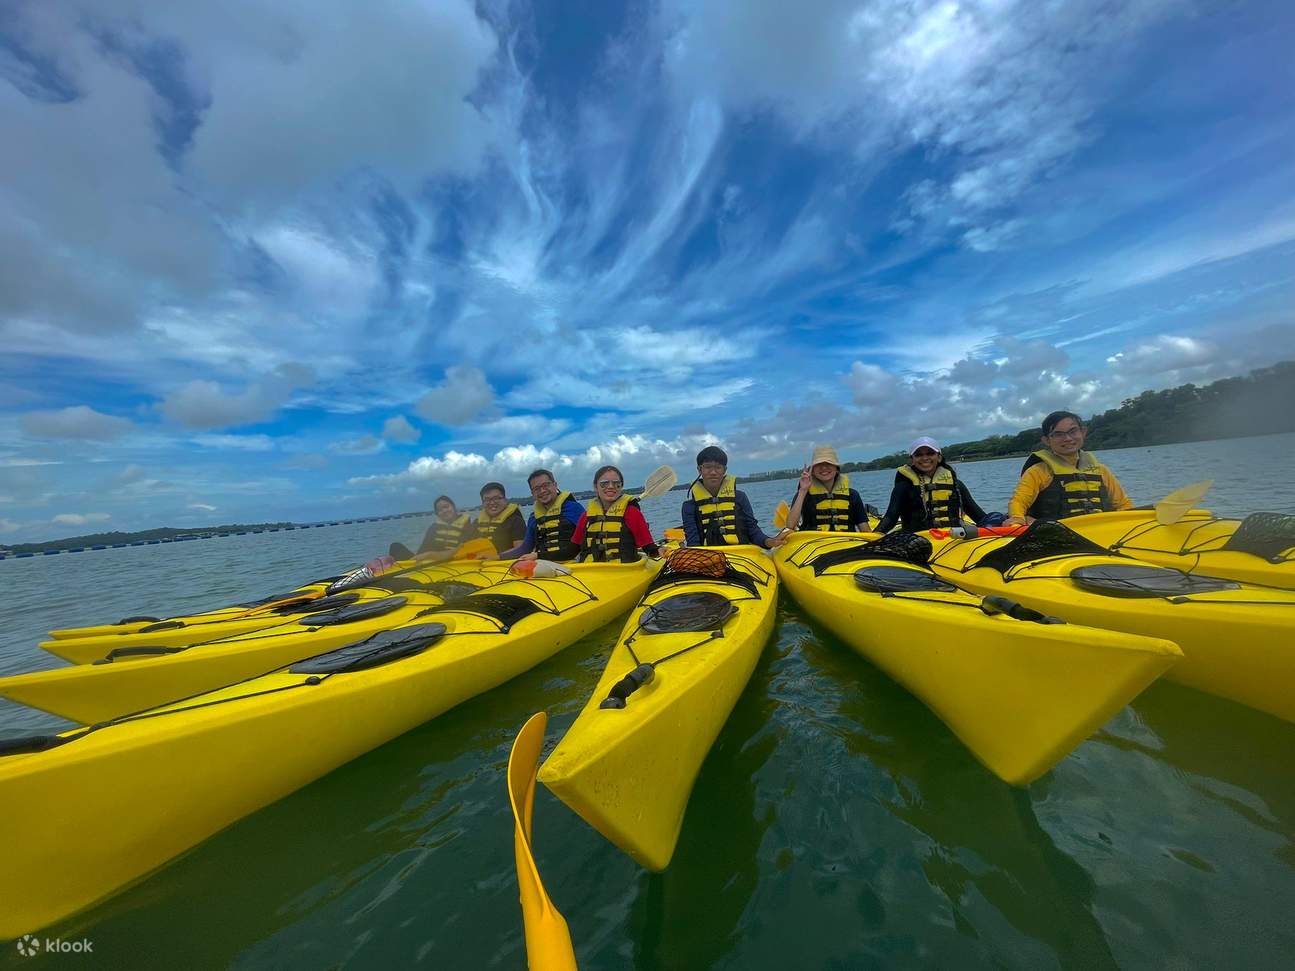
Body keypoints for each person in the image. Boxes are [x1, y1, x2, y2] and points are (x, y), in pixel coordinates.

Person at [1006, 411, 1133, 524]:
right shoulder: (1038, 472)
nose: (1068, 438)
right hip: (1057, 536)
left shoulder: (1101, 471)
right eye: (1058, 434)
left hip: (1099, 532)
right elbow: (1018, 502)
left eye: (1073, 431)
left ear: (1083, 432)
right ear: (1046, 440)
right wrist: (1017, 518)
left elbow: (1123, 504)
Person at [875, 437, 991, 533]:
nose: (925, 458)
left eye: (930, 453)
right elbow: (890, 518)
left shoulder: (956, 485)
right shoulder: (904, 487)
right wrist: (873, 536)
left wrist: (997, 524)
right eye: (918, 455)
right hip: (917, 542)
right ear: (912, 459)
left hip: (952, 539)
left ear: (939, 457)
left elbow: (978, 516)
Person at [681, 446, 787, 549]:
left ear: (724, 470)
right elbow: (693, 544)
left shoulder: (740, 498)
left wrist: (769, 541)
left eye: (718, 467)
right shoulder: (689, 507)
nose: (713, 472)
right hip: (708, 557)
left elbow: (753, 531)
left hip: (741, 553)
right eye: (708, 467)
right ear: (700, 469)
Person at [571, 465, 661, 562]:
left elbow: (649, 548)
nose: (610, 487)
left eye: (616, 484)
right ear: (595, 487)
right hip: (590, 572)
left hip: (624, 572)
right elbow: (573, 549)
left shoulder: (632, 513)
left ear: (621, 486)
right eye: (604, 484)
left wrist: (659, 551)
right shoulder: (586, 516)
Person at [501, 469, 585, 561]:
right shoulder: (533, 517)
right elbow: (525, 548)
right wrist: (498, 557)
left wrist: (538, 556)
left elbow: (585, 542)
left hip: (574, 566)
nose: (542, 491)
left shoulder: (574, 509)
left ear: (555, 485)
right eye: (536, 489)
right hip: (542, 565)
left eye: (546, 485)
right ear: (532, 493)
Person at [785, 445, 873, 532]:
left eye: (829, 463)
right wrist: (803, 491)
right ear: (813, 471)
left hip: (847, 542)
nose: (824, 467)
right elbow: (790, 526)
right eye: (819, 464)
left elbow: (865, 529)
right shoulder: (803, 494)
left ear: (837, 469)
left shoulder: (853, 495)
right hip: (813, 543)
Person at [390, 495, 475, 562]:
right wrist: (419, 557)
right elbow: (422, 550)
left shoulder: (468, 527)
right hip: (427, 565)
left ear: (453, 507)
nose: (444, 511)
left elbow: (461, 551)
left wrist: (430, 555)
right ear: (437, 514)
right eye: (440, 510)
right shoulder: (434, 528)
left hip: (449, 564)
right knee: (395, 546)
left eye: (446, 507)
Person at [474, 481, 527, 555]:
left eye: (496, 498)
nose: (492, 503)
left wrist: (495, 557)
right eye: (487, 499)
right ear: (482, 503)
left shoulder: (516, 521)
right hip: (479, 563)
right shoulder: (476, 523)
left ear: (505, 499)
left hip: (506, 563)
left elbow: (520, 549)